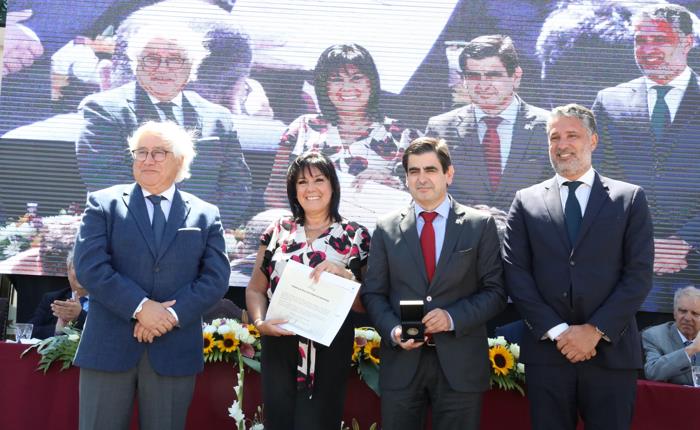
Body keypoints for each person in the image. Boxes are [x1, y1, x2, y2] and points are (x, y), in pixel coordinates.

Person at [503, 104, 654, 430]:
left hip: (611, 355)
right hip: (548, 355)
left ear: (593, 140)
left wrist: (594, 331)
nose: (562, 145)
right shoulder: (526, 200)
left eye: (572, 135)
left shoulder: (629, 198)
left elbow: (638, 276)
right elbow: (516, 274)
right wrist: (559, 332)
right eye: (554, 137)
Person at [72, 121, 231, 430]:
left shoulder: (206, 213)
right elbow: (90, 267)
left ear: (180, 161)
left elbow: (215, 279)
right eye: (140, 152)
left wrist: (169, 316)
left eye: (158, 153)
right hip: (108, 349)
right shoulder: (103, 203)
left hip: (173, 351)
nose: (147, 160)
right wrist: (141, 308)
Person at [362, 137, 506, 430]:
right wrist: (394, 330)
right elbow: (373, 294)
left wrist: (452, 317)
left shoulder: (480, 225)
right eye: (414, 171)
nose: (422, 178)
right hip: (402, 365)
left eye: (430, 169)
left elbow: (496, 292)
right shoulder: (386, 228)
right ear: (405, 178)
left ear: (448, 174)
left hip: (460, 365)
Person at [75, 22, 252, 229]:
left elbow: (237, 189)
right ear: (136, 63)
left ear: (191, 66)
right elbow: (107, 184)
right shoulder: (103, 109)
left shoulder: (218, 117)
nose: (162, 68)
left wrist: (200, 229)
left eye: (175, 60)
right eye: (152, 59)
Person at [246, 151, 371, 430]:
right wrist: (260, 323)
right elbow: (255, 288)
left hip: (329, 350)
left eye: (318, 180)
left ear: (333, 185)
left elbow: (366, 304)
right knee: (278, 422)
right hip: (279, 343)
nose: (310, 188)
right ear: (293, 189)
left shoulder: (355, 236)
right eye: (302, 182)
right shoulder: (278, 230)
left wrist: (346, 277)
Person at [592, 4, 700, 309]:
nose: (648, 49)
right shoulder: (610, 101)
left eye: (660, 40)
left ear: (688, 42)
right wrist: (639, 242)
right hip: (628, 263)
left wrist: (685, 240)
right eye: (640, 40)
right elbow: (596, 181)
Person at [264, 43, 418, 208]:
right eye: (336, 79)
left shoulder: (404, 136)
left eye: (356, 78)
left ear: (371, 83)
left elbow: (425, 201)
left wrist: (393, 185)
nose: (347, 88)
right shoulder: (303, 126)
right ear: (324, 86)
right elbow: (274, 192)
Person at [426, 35, 550, 213]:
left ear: (516, 77)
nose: (483, 85)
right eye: (474, 76)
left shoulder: (551, 127)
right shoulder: (441, 128)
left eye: (493, 75)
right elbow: (429, 192)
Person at [642, 286, 700, 385]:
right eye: (683, 311)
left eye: (695, 314)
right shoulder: (654, 336)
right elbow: (652, 372)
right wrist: (691, 349)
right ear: (674, 313)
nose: (687, 318)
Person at [28, 250, 89, 339]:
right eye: (77, 267)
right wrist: (58, 329)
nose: (82, 272)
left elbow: (107, 331)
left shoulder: (106, 301)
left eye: (87, 267)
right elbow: (29, 332)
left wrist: (80, 315)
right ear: (68, 271)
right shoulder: (53, 299)